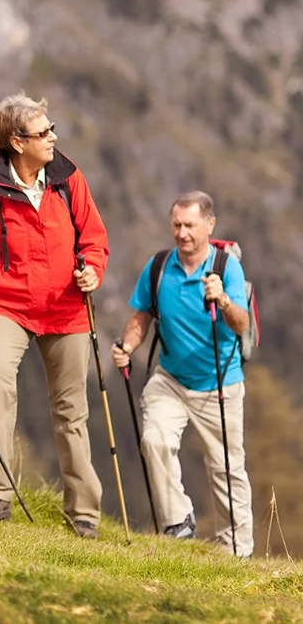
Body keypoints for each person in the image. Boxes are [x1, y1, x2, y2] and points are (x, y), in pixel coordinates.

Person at [0, 92, 109, 538]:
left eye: (51, 129)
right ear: (16, 141)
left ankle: (83, 510)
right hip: (6, 304)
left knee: (71, 411)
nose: (52, 138)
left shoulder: (68, 178)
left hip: (66, 308)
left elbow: (94, 238)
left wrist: (93, 271)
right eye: (42, 132)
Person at [111, 191, 252, 557]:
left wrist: (222, 300)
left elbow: (242, 324)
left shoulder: (226, 268)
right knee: (154, 439)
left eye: (190, 225)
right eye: (176, 225)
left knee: (226, 468)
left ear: (210, 225)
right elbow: (142, 316)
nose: (182, 233)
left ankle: (236, 550)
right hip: (170, 378)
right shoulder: (159, 266)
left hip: (219, 383)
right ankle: (178, 523)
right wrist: (127, 347)